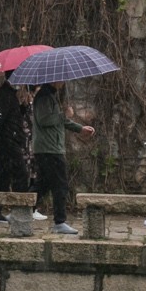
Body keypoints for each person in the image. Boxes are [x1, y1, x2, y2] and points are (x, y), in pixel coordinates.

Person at [32, 82, 95, 236]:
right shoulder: (44, 97)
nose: (63, 82)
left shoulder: (50, 96)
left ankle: (23, 209)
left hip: (51, 147)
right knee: (60, 184)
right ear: (53, 79)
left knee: (43, 184)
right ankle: (60, 222)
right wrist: (63, 115)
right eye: (61, 79)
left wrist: (80, 128)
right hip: (49, 148)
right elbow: (44, 120)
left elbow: (60, 121)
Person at [0, 81, 32, 225]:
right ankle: (19, 211)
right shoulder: (4, 95)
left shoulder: (11, 95)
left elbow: (14, 116)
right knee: (21, 174)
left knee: (2, 177)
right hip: (7, 143)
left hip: (12, 141)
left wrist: (24, 106)